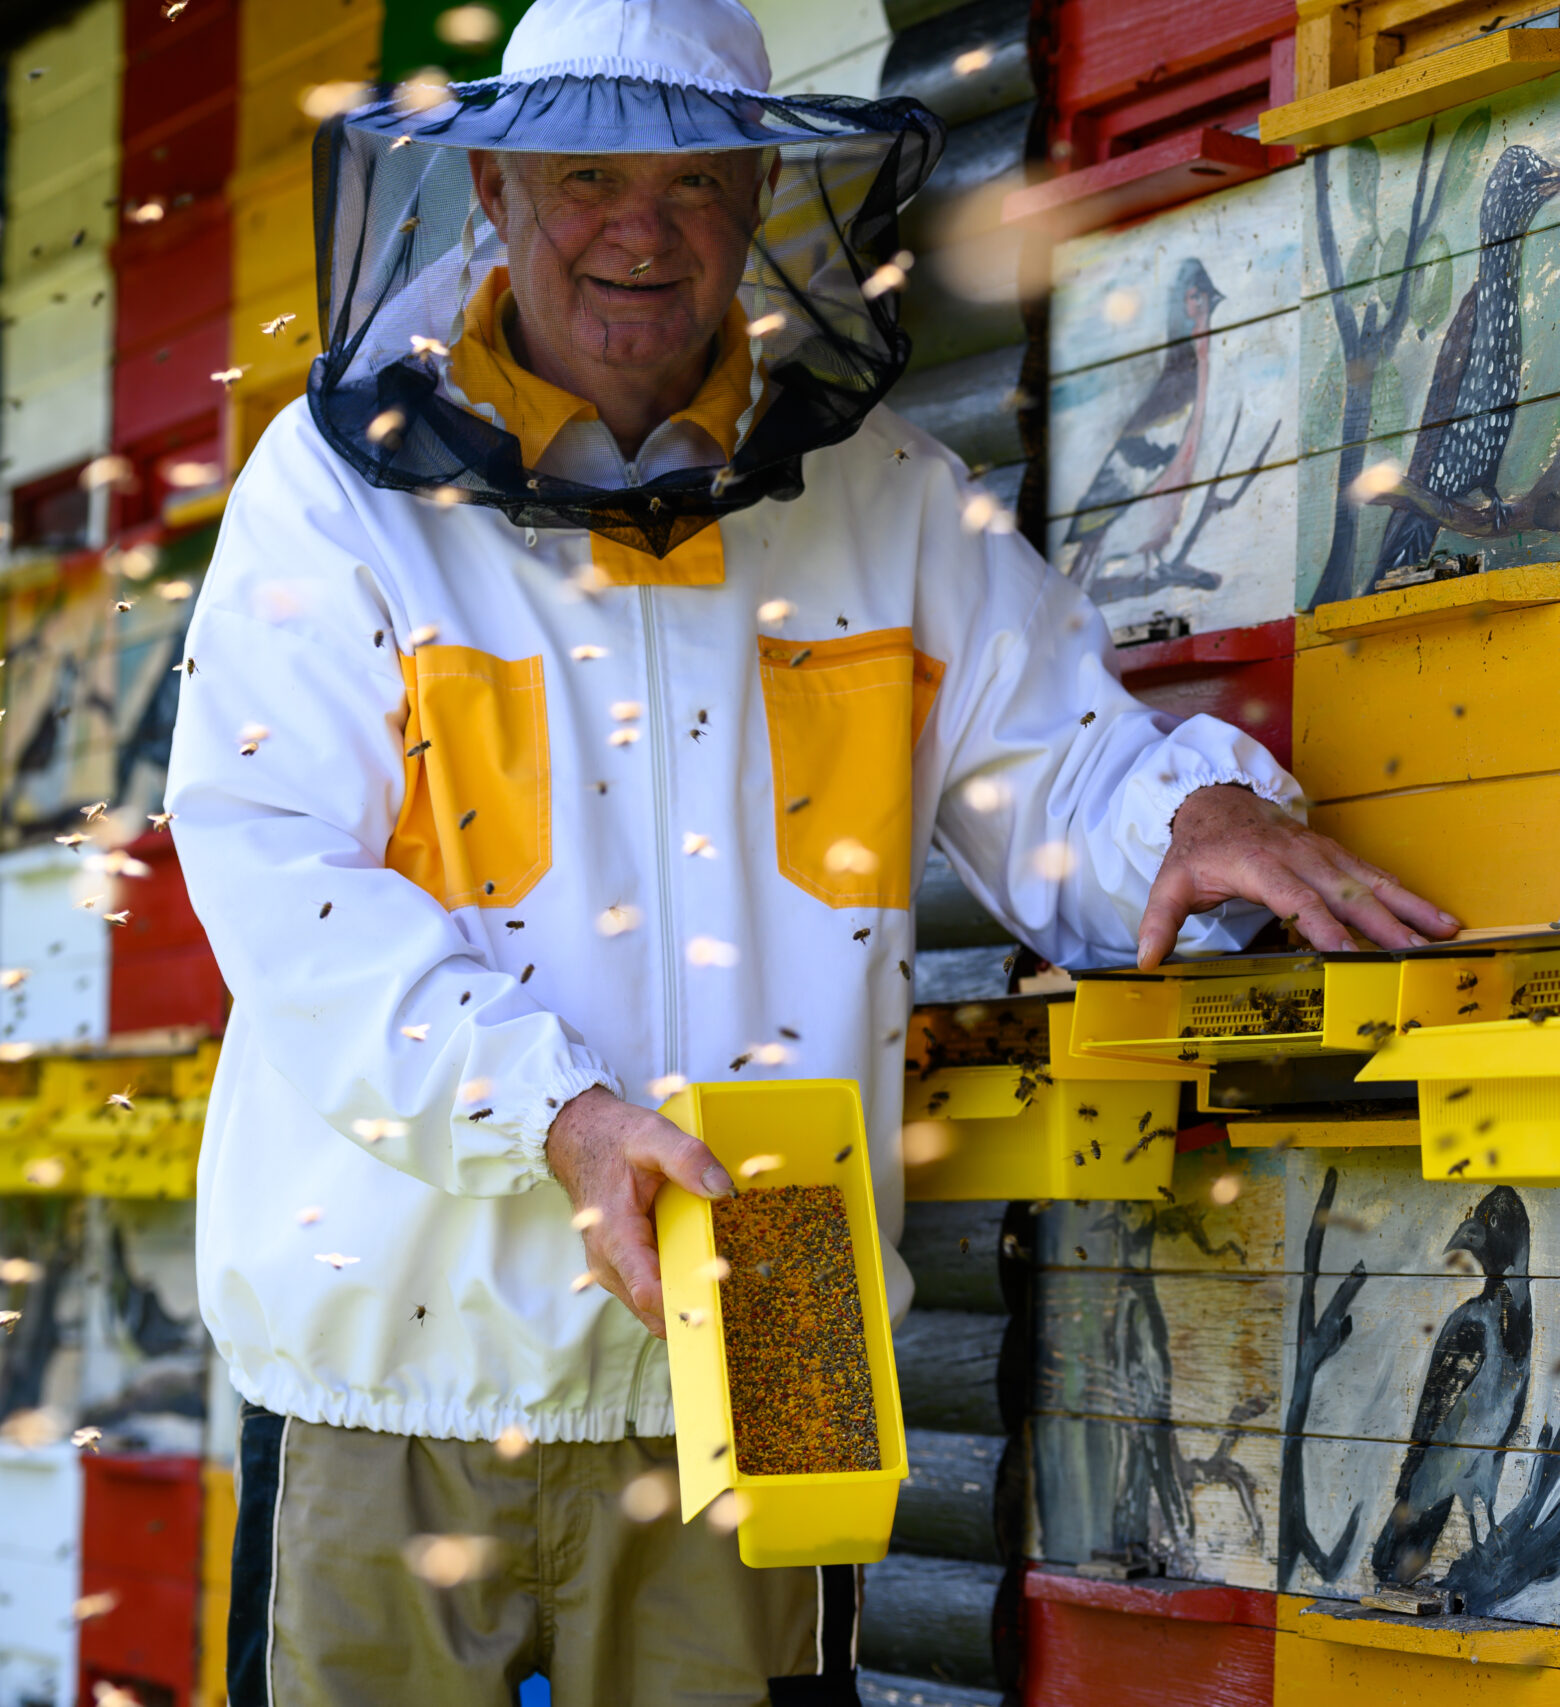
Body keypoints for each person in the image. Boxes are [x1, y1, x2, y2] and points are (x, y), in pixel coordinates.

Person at [163, 1, 1456, 1700]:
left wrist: (1189, 814)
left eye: (697, 182)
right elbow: (279, 874)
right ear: (490, 188)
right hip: (407, 1350)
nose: (643, 227)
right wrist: (553, 1112)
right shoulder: (336, 499)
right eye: (585, 177)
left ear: (764, 198)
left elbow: (1058, 775)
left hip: (769, 1326)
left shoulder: (895, 498)